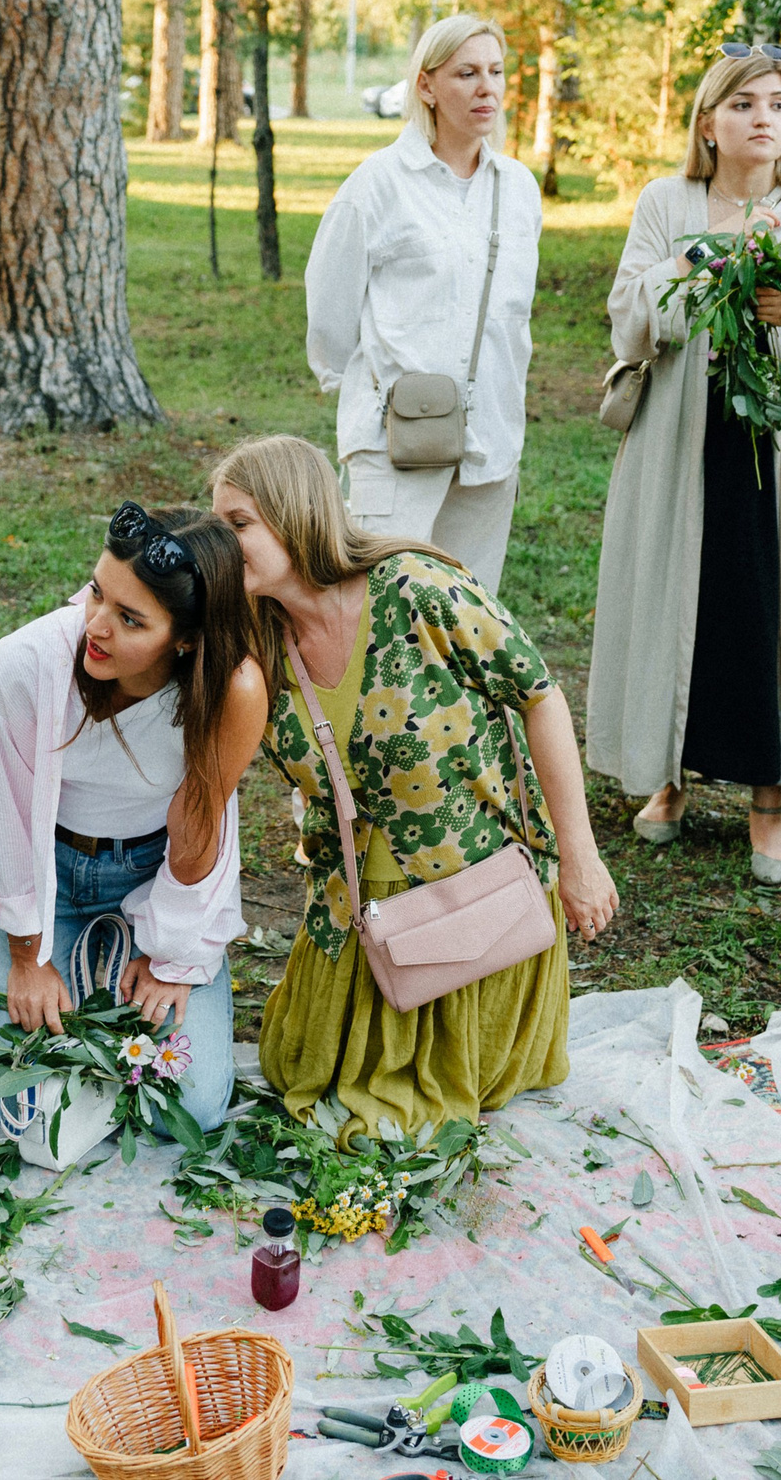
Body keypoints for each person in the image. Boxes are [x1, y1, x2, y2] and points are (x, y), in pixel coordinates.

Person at [208, 435, 619, 1137]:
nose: (224, 543)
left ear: (294, 510)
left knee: (395, 1109)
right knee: (295, 1064)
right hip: (355, 909)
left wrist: (580, 856)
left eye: (238, 524)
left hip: (472, 897)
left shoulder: (415, 589)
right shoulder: (257, 648)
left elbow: (540, 695)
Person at [587, 45, 781, 886]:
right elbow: (630, 318)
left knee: (766, 611)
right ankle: (666, 779)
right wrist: (713, 254)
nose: (762, 117)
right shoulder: (668, 204)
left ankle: (768, 805)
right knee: (671, 597)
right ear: (707, 122)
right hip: (679, 439)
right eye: (742, 104)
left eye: (776, 104)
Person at [0, 503, 267, 1135]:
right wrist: (28, 955)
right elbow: (7, 819)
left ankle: (112, 967)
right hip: (41, 873)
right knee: (16, 1107)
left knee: (191, 1107)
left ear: (186, 638)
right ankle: (84, 970)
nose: (96, 628)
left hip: (151, 875)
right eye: (98, 594)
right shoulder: (25, 662)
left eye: (130, 619)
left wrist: (172, 954)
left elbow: (200, 831)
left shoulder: (231, 689)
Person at [303, 13, 544, 596]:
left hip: (491, 442)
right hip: (395, 445)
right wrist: (371, 395)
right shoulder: (379, 183)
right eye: (466, 73)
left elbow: (514, 320)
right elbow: (330, 311)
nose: (486, 87)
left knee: (469, 628)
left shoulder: (518, 189)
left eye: (495, 71)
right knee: (379, 615)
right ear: (427, 87)